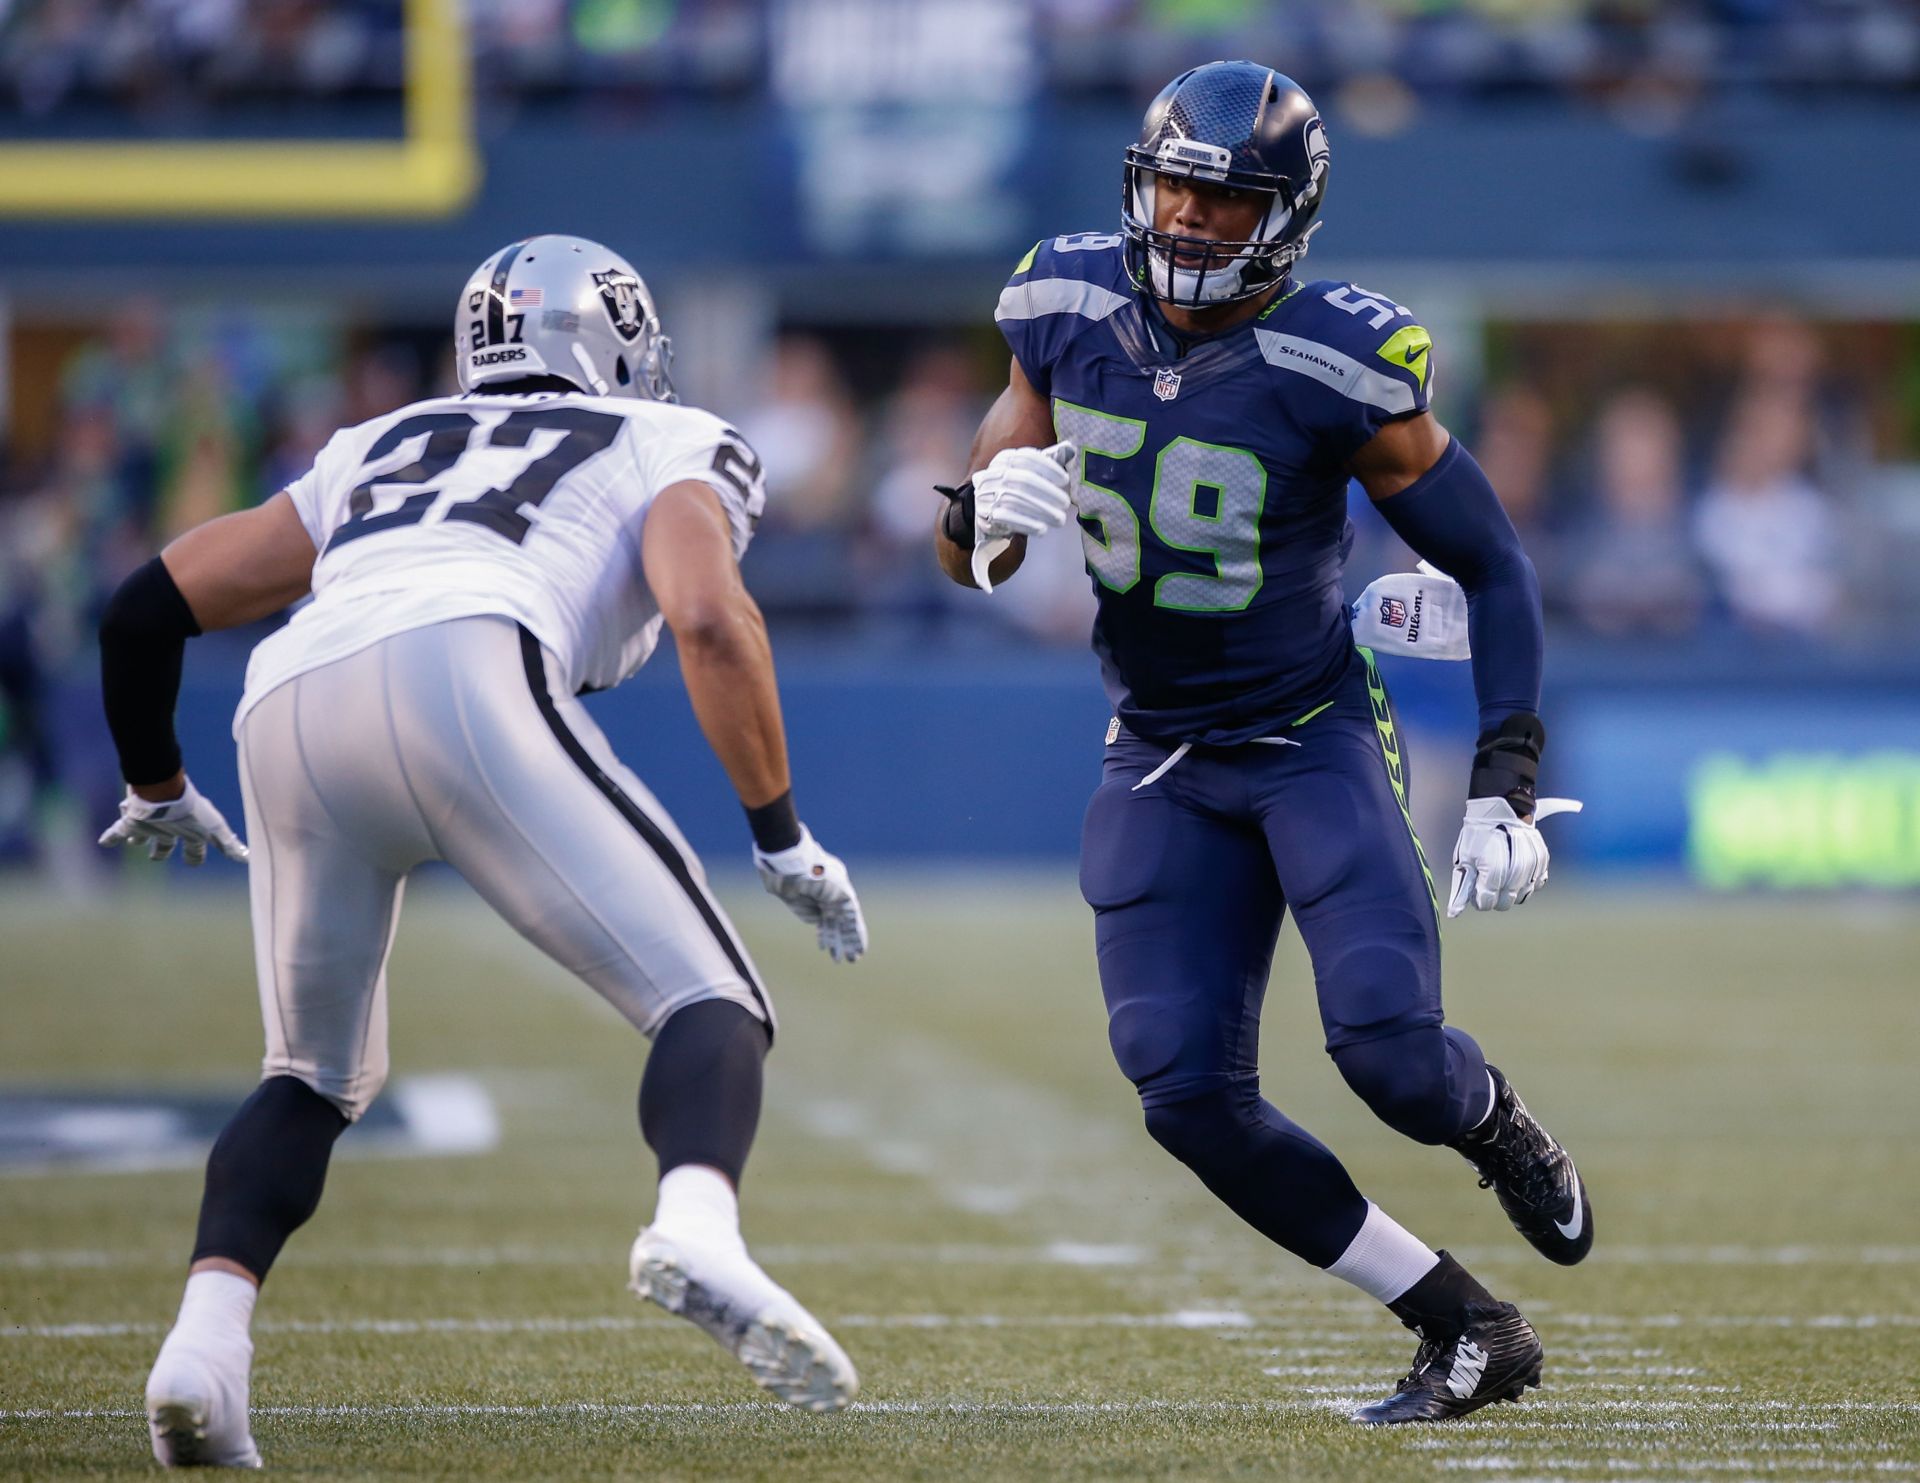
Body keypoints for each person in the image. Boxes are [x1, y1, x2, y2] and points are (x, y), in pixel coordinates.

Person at [97, 235, 869, 1466]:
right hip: (467, 665)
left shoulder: (379, 441)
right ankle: (698, 1226)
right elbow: (711, 615)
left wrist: (155, 782)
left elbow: (145, 605)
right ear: (615, 340)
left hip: (288, 697)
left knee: (308, 1078)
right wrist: (779, 835)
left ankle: (203, 1351)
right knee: (710, 998)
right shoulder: (669, 435)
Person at [934, 63, 1588, 1424]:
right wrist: (971, 513)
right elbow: (978, 556)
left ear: (1286, 218)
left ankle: (1496, 1122)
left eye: (1224, 204)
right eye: (1173, 186)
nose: (1187, 221)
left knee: (1395, 1058)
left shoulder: (1337, 356)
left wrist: (1506, 782)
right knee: (1182, 1089)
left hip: (1308, 732)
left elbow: (1495, 566)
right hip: (1161, 747)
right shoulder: (1062, 307)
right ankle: (1465, 1321)